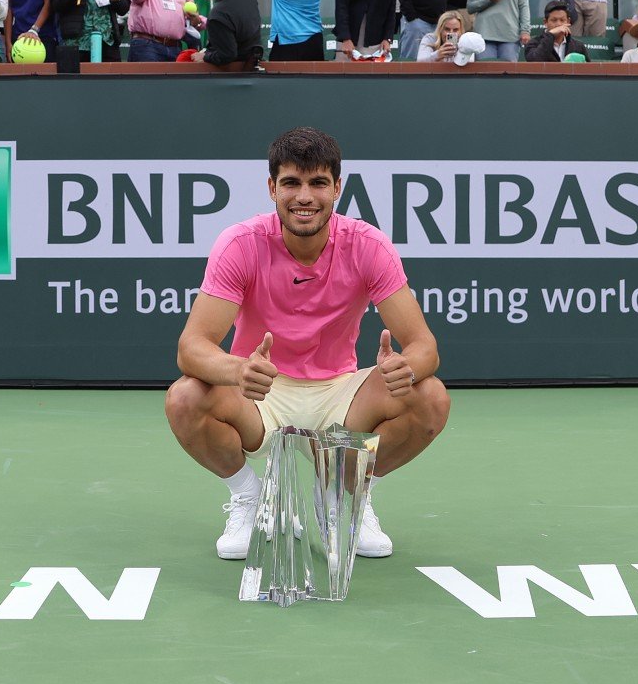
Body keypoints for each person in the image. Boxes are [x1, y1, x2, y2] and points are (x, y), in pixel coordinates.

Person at [166, 126, 448, 560]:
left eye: (317, 183)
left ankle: (345, 492)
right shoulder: (240, 244)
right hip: (261, 394)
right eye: (291, 183)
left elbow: (423, 345)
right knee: (185, 397)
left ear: (337, 187)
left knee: (430, 396)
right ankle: (251, 498)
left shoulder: (368, 245)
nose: (304, 196)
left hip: (341, 393)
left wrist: (407, 367)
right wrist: (238, 370)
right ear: (271, 188)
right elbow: (192, 347)